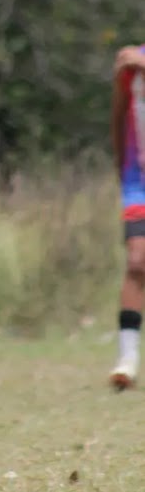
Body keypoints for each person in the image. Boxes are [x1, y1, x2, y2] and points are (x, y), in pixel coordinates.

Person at [110, 42, 145, 390]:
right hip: (140, 182)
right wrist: (122, 168)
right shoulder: (131, 64)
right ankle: (127, 359)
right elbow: (119, 118)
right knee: (137, 262)